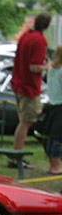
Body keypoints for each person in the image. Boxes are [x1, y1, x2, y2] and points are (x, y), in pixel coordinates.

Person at [11, 12, 52, 167]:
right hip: (29, 86)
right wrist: (48, 66)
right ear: (46, 26)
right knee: (26, 122)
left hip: (18, 82)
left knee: (24, 121)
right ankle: (16, 157)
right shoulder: (39, 40)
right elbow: (34, 67)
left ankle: (15, 156)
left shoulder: (26, 35)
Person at [43, 46, 62, 175]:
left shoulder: (51, 69)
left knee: (51, 136)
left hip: (52, 104)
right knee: (58, 137)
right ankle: (56, 166)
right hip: (61, 105)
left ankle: (52, 164)